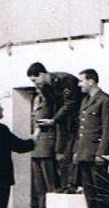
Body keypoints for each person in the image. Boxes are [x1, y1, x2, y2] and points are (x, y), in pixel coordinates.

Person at [74, 68, 109, 208]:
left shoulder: (105, 100)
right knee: (89, 190)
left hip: (97, 154)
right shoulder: (86, 100)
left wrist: (102, 153)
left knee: (101, 190)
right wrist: (77, 151)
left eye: (81, 81)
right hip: (85, 153)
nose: (79, 84)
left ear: (91, 81)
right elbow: (81, 130)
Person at [26, 62, 81, 191]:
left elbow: (69, 104)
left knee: (69, 159)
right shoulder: (45, 87)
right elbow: (51, 106)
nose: (35, 84)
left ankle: (70, 186)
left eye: (35, 80)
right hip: (62, 126)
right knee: (62, 159)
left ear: (42, 74)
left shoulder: (66, 80)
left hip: (75, 122)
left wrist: (53, 120)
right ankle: (64, 187)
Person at [30, 88, 58, 208]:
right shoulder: (37, 100)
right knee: (39, 185)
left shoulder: (51, 101)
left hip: (47, 144)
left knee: (50, 184)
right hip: (37, 145)